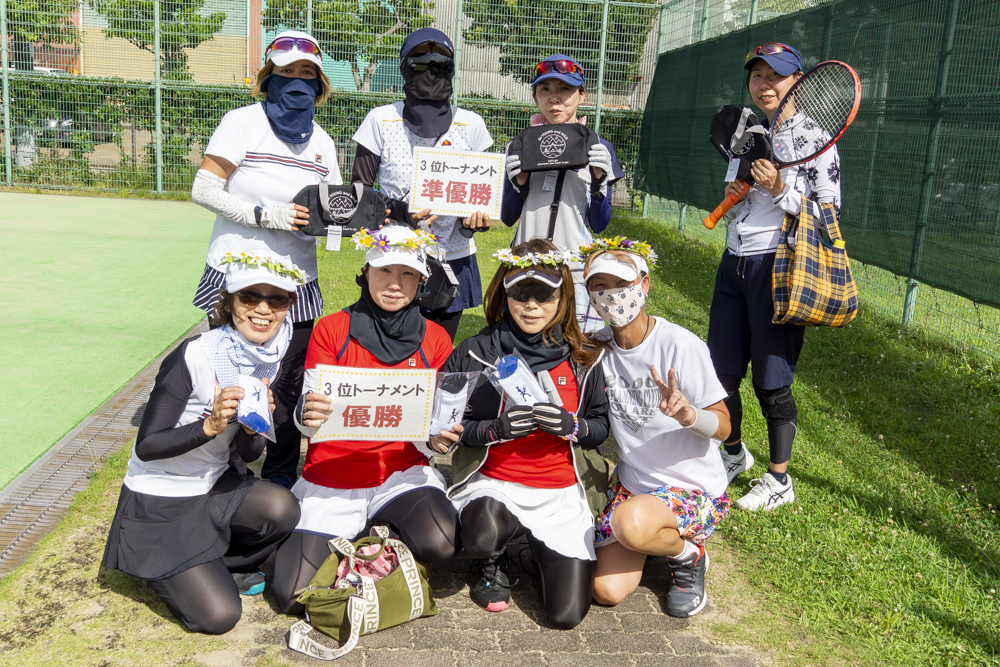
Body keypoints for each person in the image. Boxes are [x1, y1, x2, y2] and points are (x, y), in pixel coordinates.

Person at [101, 253, 303, 634]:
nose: (263, 309)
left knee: (283, 508)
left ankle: (215, 562)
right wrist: (209, 426)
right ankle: (166, 566)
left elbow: (249, 454)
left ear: (288, 306)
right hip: (160, 496)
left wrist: (252, 428)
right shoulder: (196, 354)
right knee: (220, 615)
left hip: (212, 483)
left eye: (276, 299)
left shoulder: (269, 357)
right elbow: (147, 445)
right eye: (250, 296)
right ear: (229, 301)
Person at [272, 225, 459, 615]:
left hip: (401, 473)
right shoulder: (332, 329)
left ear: (422, 282)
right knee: (291, 596)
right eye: (384, 271)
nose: (395, 284)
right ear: (365, 272)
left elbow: (431, 425)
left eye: (408, 274)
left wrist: (437, 439)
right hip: (335, 474)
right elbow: (308, 417)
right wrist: (306, 414)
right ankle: (369, 536)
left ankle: (378, 529)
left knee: (440, 542)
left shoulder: (437, 339)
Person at [189, 30, 341, 490]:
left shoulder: (323, 142)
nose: (296, 80)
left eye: (307, 72)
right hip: (237, 275)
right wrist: (263, 215)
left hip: (297, 281)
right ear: (267, 77)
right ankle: (223, 471)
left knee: (289, 382)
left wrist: (351, 223)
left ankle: (278, 477)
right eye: (286, 71)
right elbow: (203, 189)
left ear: (319, 84)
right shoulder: (242, 122)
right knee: (229, 379)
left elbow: (332, 209)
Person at [438, 238, 609, 629]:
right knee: (482, 536)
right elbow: (447, 427)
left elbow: (600, 427)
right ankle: (492, 560)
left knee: (566, 616)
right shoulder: (475, 350)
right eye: (520, 293)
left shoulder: (584, 355)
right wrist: (493, 430)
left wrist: (574, 426)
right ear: (504, 293)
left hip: (561, 492)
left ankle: (538, 545)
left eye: (544, 295)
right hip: (494, 484)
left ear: (563, 298)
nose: (531, 305)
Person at [709, 43, 841, 510]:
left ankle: (779, 480)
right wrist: (735, 194)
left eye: (775, 76)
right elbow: (740, 206)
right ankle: (732, 454)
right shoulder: (748, 133)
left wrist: (781, 189)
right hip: (734, 263)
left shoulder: (818, 140)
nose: (765, 85)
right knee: (719, 375)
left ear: (798, 82)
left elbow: (830, 216)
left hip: (778, 267)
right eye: (757, 76)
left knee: (771, 380)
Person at [578, 239, 731, 618]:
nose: (611, 295)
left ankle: (687, 554)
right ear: (590, 296)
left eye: (621, 284)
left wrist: (689, 416)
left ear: (644, 285)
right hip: (634, 487)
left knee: (629, 523)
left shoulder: (681, 345)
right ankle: (651, 535)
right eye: (600, 287)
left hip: (691, 489)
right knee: (605, 591)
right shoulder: (597, 349)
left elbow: (725, 427)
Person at [350, 27, 493, 341]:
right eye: (419, 62)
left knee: (436, 352)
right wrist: (401, 212)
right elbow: (360, 193)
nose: (430, 71)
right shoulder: (381, 120)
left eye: (440, 64)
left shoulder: (471, 125)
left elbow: (478, 196)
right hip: (395, 255)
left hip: (452, 258)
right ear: (404, 66)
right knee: (386, 348)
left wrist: (472, 224)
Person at [501, 54, 624, 333]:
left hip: (574, 273)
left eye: (565, 89)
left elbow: (600, 223)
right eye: (545, 89)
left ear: (582, 94)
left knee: (574, 348)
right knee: (523, 345)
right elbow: (508, 217)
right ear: (535, 97)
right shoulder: (519, 146)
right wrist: (519, 184)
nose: (554, 99)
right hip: (525, 267)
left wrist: (599, 182)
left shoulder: (599, 147)